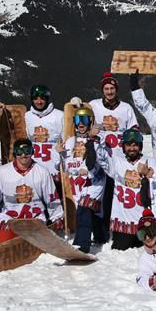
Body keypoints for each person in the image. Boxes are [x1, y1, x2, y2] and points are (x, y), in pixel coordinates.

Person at [0, 139, 64, 245]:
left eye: (27, 151)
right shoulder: (2, 172)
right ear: (15, 153)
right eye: (19, 151)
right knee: (2, 245)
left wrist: (57, 218)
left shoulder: (42, 172)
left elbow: (51, 197)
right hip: (10, 218)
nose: (23, 155)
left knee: (38, 247)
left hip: (34, 218)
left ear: (32, 152)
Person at [88, 126, 156, 250]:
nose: (132, 148)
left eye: (135, 145)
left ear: (140, 146)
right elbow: (101, 157)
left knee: (149, 250)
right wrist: (93, 138)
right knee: (120, 250)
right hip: (124, 220)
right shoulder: (116, 162)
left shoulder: (151, 161)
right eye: (128, 145)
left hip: (145, 219)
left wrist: (152, 174)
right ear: (123, 147)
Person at [57, 106, 107, 253]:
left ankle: (82, 244)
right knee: (93, 212)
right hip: (77, 184)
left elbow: (100, 160)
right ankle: (100, 236)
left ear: (90, 121)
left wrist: (89, 168)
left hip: (94, 182)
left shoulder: (99, 140)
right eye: (77, 119)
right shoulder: (71, 141)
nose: (80, 124)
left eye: (84, 119)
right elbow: (62, 165)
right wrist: (59, 153)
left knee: (84, 209)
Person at [23, 85, 64, 192]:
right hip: (34, 169)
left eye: (42, 98)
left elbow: (67, 139)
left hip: (53, 169)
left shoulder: (59, 116)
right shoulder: (27, 117)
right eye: (35, 98)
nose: (39, 101)